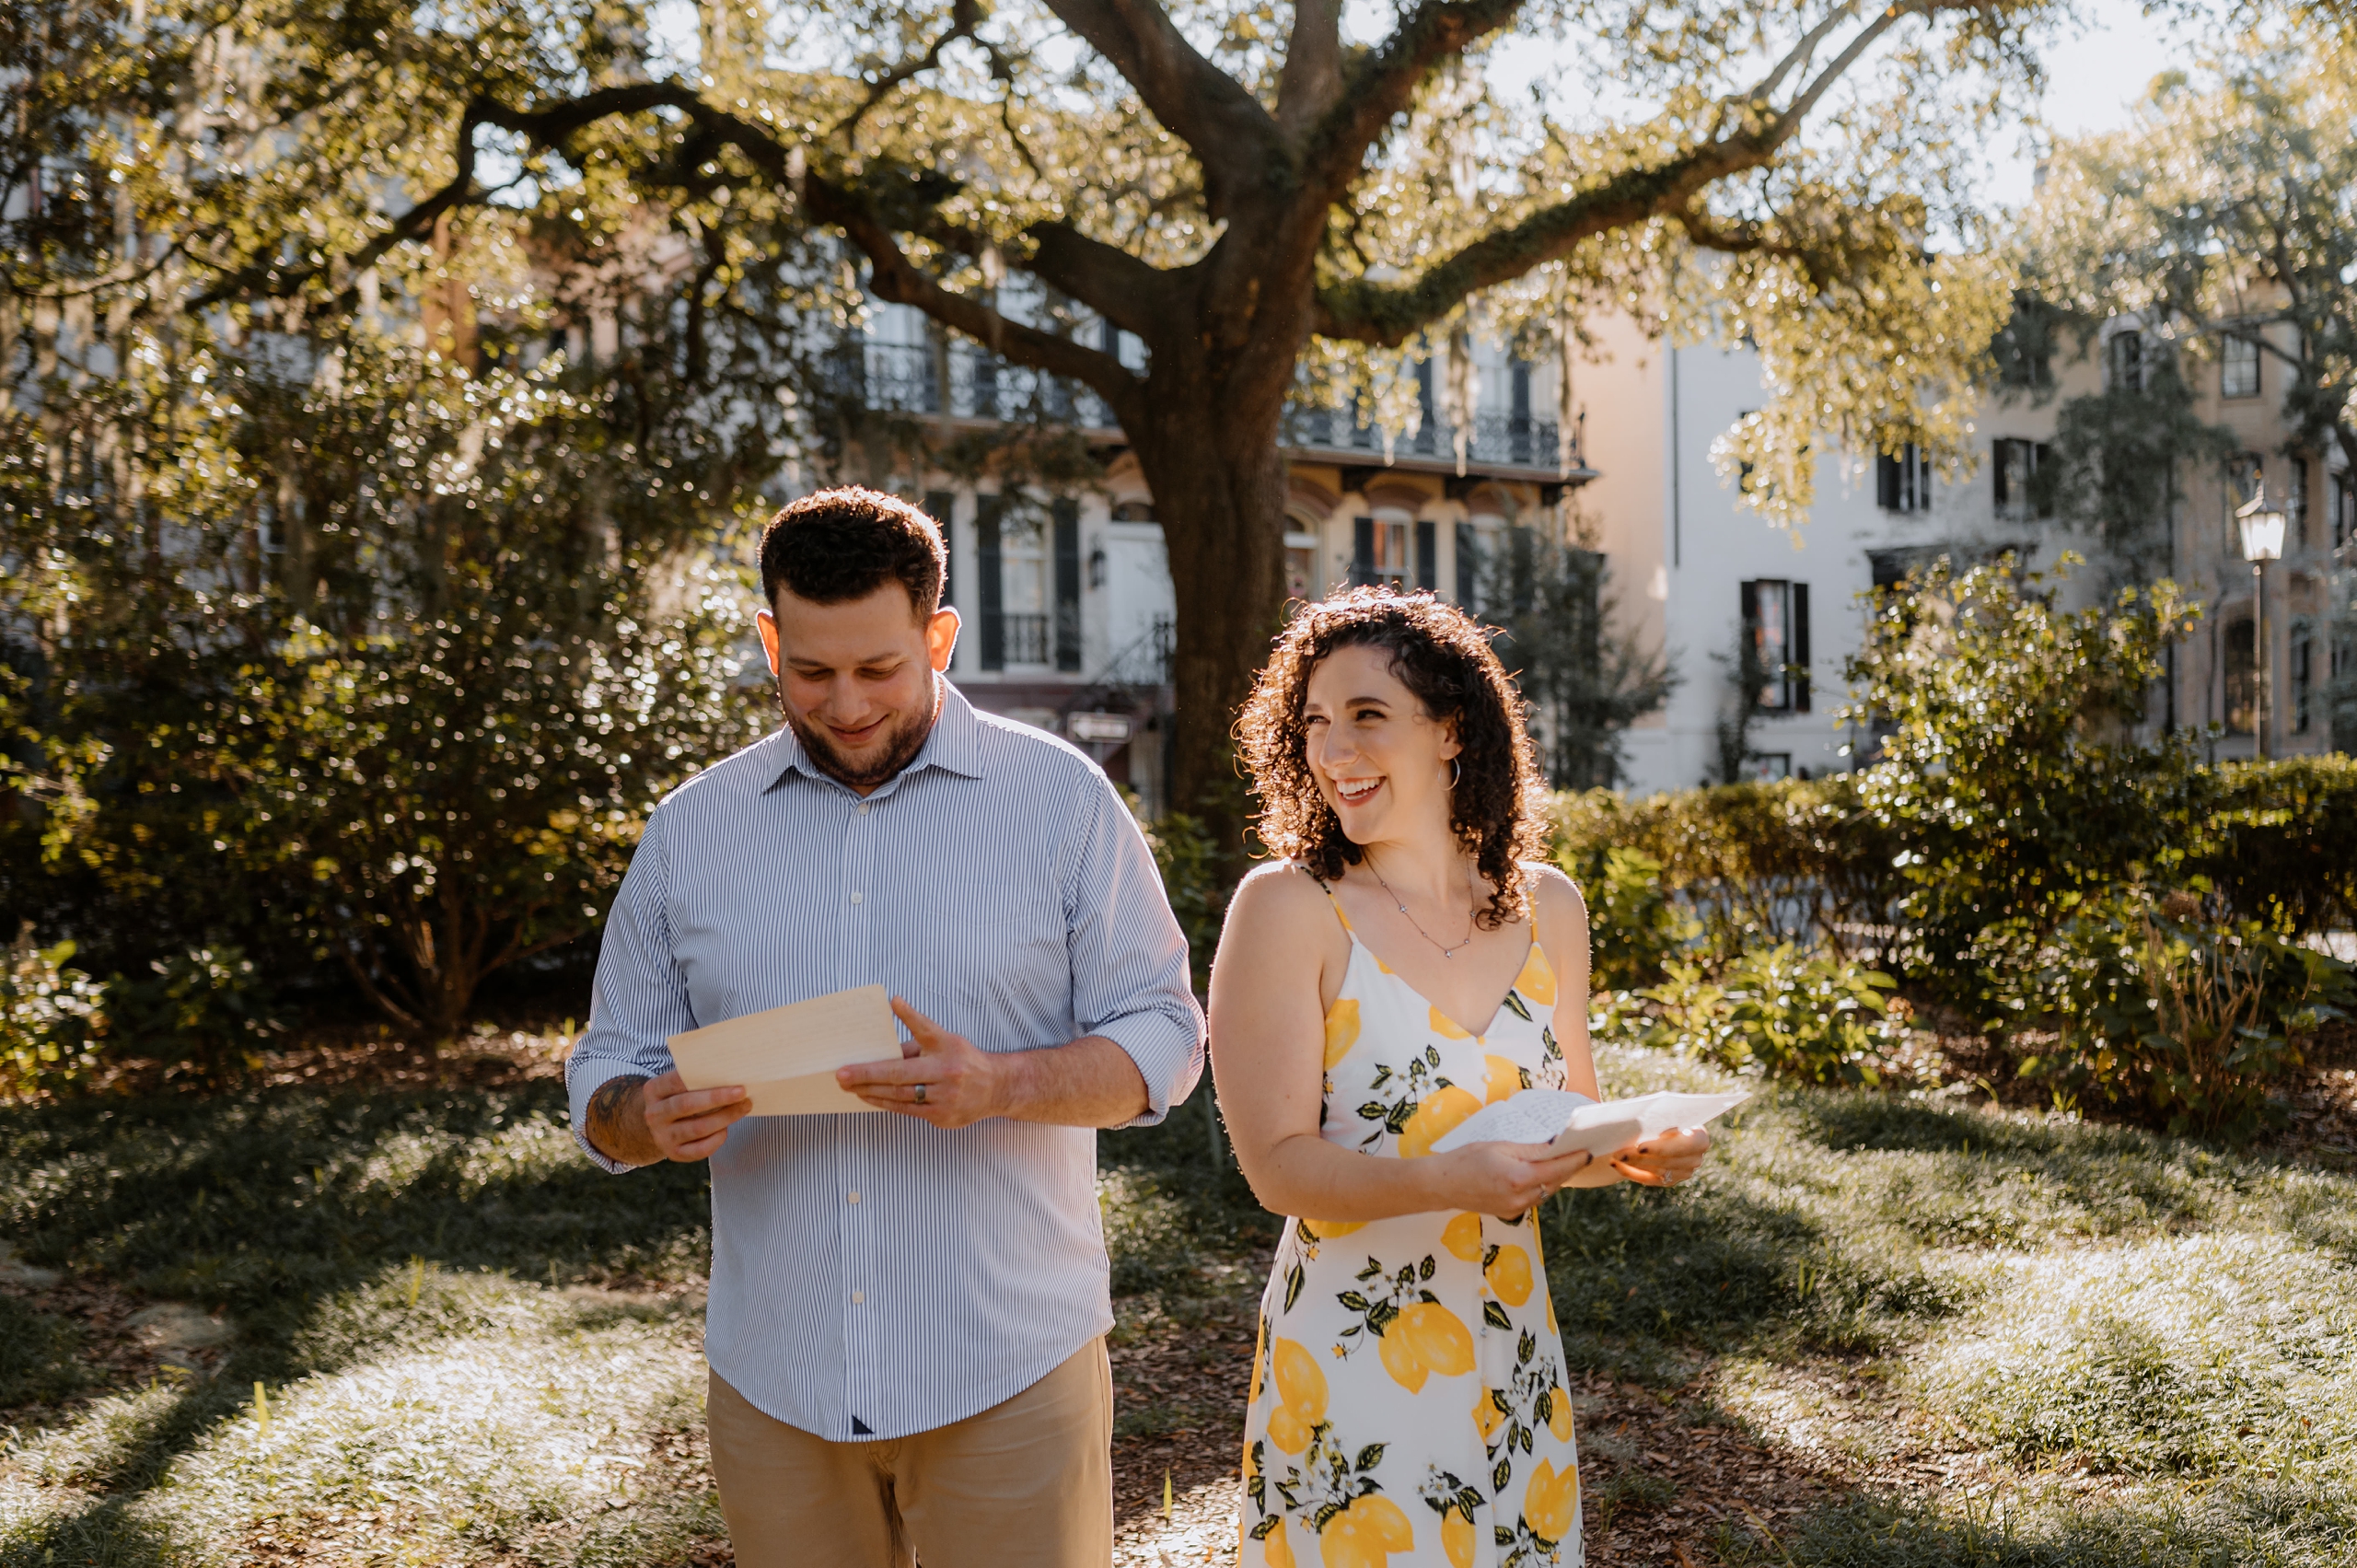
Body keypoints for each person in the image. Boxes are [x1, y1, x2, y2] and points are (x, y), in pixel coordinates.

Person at [564, 486, 1204, 1568]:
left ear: (938, 635)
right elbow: (604, 1072)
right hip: (778, 1376)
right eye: (810, 670)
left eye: (879, 668)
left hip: (1008, 1365)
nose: (846, 702)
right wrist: (644, 1115)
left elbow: (1165, 1038)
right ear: (770, 639)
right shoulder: (689, 833)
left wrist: (1002, 1082)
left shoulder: (1059, 800)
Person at [1211, 588, 1713, 1568]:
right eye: (1314, 722)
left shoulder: (1547, 907)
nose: (1333, 750)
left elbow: (1560, 1133)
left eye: (1368, 716)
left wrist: (1640, 1153)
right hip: (1354, 1362)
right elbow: (1278, 1170)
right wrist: (1454, 1180)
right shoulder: (1287, 907)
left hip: (1514, 1350)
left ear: (1449, 731)